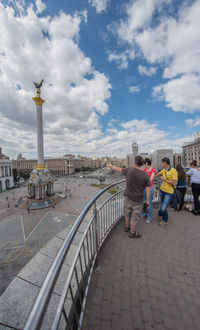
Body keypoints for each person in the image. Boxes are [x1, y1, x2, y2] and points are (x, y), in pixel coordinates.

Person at [107, 156, 150, 238]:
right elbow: (148, 190)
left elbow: (118, 169)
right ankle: (132, 232)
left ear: (135, 162)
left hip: (128, 198)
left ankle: (127, 227)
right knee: (135, 217)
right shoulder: (145, 175)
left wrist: (111, 166)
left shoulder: (129, 170)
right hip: (138, 200)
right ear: (142, 164)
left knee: (127, 213)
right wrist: (147, 201)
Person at [156, 157, 178, 225]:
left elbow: (175, 183)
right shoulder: (164, 170)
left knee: (163, 207)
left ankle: (160, 215)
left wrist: (165, 180)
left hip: (169, 192)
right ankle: (164, 220)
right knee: (163, 205)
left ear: (165, 163)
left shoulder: (173, 171)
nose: (161, 164)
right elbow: (157, 174)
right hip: (162, 190)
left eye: (162, 162)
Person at [142, 158, 156, 223]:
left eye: (144, 164)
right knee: (144, 202)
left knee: (149, 203)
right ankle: (145, 214)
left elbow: (150, 180)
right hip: (144, 188)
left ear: (147, 163)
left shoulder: (153, 170)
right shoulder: (145, 170)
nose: (144, 165)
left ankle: (149, 217)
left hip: (149, 188)